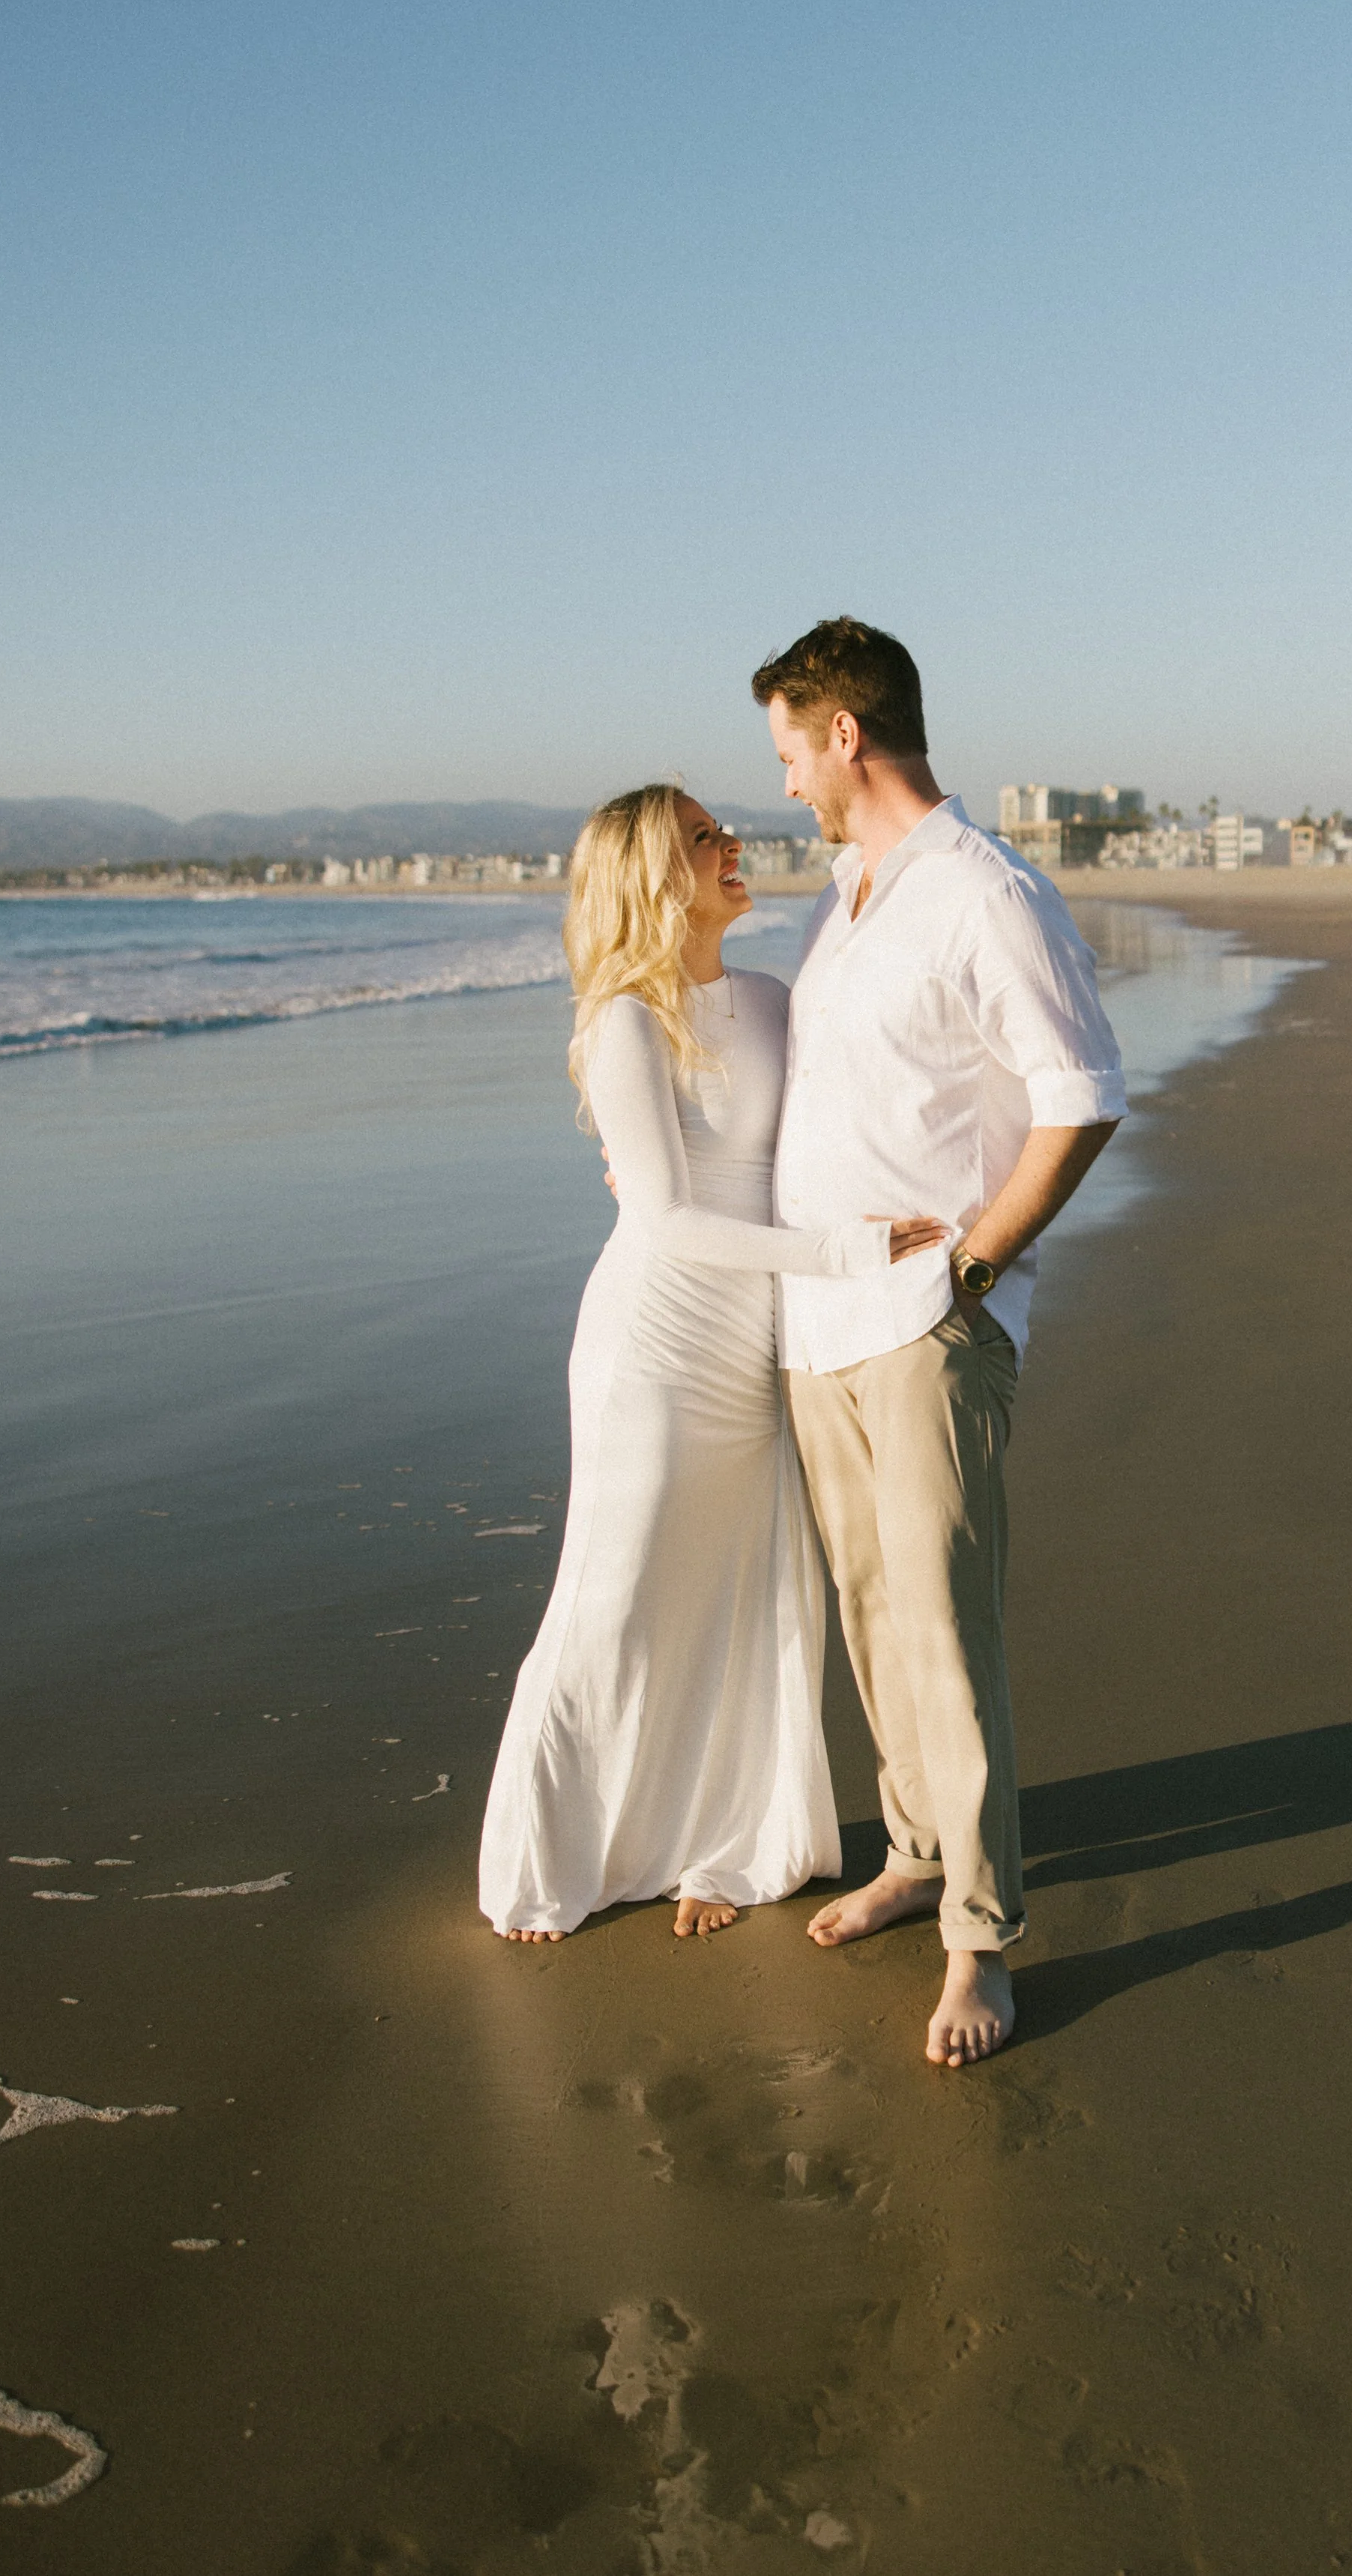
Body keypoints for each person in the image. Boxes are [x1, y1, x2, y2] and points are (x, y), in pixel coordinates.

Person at [477, 782, 945, 1945]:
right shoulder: (624, 1021)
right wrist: (848, 1253)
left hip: (761, 1338)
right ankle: (555, 1853)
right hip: (661, 1339)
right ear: (652, 877)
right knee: (616, 1589)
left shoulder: (775, 1002)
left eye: (724, 830)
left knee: (749, 1592)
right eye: (702, 839)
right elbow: (669, 1222)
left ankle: (726, 1842)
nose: (734, 846)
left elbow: (829, 1136)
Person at [756, 619, 1129, 2066]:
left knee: (946, 1630)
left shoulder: (986, 895)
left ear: (847, 734)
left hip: (928, 1323)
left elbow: (1082, 1093)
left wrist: (977, 1263)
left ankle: (982, 1937)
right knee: (869, 1610)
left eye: (790, 748)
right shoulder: (849, 894)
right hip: (821, 1321)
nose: (784, 781)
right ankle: (914, 1852)